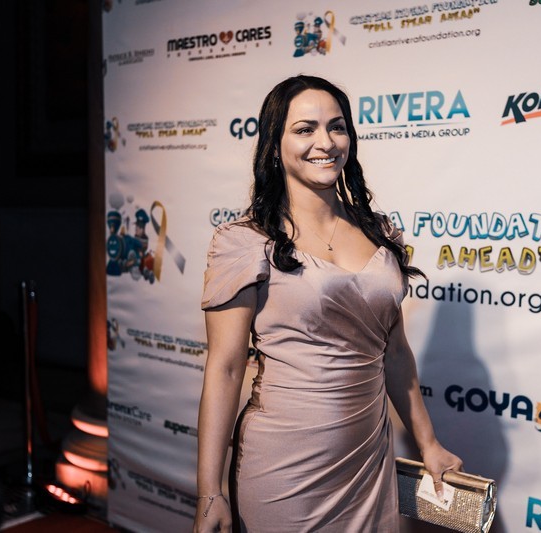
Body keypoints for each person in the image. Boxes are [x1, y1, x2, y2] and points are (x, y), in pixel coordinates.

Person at [194, 75, 463, 533]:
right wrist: (209, 492)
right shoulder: (244, 242)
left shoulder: (380, 232)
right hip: (285, 466)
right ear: (274, 145)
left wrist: (428, 444)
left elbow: (395, 353)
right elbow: (225, 369)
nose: (326, 142)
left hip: (368, 460)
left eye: (337, 127)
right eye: (305, 129)